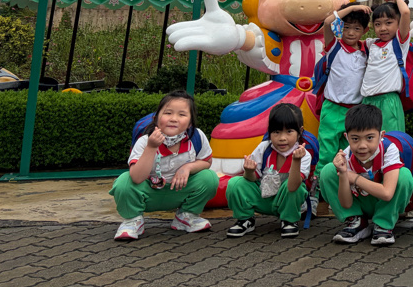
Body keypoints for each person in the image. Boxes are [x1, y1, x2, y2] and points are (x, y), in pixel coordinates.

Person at [109, 90, 218, 240]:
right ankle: (133, 220)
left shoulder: (196, 137)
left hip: (179, 190)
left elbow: (206, 162)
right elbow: (137, 177)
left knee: (209, 178)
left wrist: (187, 167)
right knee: (124, 182)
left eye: (182, 114)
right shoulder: (145, 141)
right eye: (168, 113)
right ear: (156, 118)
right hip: (149, 193)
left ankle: (186, 216)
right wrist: (151, 147)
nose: (173, 119)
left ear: (190, 122)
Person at [318, 103, 413, 247]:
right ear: (346, 137)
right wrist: (344, 174)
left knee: (404, 176)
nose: (362, 146)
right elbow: (346, 204)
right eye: (355, 139)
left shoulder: (389, 149)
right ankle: (357, 222)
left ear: (381, 135)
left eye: (369, 137)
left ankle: (383, 224)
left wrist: (355, 178)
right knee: (328, 171)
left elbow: (387, 194)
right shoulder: (346, 157)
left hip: (384, 202)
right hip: (361, 202)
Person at [225, 103, 312, 238]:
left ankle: (289, 220)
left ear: (300, 131)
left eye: (289, 131)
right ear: (269, 132)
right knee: (235, 183)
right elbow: (252, 179)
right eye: (276, 132)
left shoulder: (304, 155)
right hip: (264, 197)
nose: (282, 138)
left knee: (298, 188)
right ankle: (245, 219)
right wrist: (249, 171)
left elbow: (293, 186)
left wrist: (296, 161)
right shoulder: (264, 148)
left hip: (286, 200)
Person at [317, 5, 372, 165]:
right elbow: (327, 23)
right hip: (333, 108)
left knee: (349, 154)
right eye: (346, 27)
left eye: (356, 28)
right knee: (327, 152)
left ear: (365, 30)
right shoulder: (334, 46)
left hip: (354, 111)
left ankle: (345, 180)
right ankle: (320, 179)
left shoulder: (366, 51)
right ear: (340, 26)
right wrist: (353, 7)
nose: (350, 33)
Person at [361, 0, 411, 133]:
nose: (383, 28)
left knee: (390, 141)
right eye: (378, 24)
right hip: (367, 101)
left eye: (388, 23)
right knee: (367, 142)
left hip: (388, 101)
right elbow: (348, 41)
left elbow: (406, 12)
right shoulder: (371, 44)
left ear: (398, 23)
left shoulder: (399, 42)